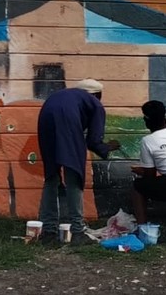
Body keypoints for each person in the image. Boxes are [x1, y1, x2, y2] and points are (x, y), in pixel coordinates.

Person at [37, 79, 121, 246]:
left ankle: (48, 231)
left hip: (45, 116)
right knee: (73, 173)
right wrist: (108, 147)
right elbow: (93, 141)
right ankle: (77, 231)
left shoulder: (64, 95)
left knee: (51, 176)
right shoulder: (95, 104)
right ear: (97, 95)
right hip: (66, 121)